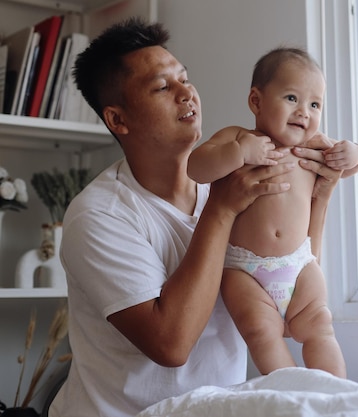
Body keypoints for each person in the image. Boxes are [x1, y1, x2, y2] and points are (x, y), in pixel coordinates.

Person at [49, 19, 343, 417]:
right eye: (162, 87)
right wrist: (221, 209)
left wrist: (320, 198)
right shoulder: (98, 215)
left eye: (185, 79)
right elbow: (171, 345)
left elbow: (289, 309)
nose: (187, 93)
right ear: (118, 120)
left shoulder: (235, 177)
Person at [187, 47, 358, 378]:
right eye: (292, 98)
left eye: (315, 104)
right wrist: (238, 153)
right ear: (256, 101)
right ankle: (292, 394)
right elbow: (195, 168)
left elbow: (351, 166)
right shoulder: (238, 138)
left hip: (299, 265)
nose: (304, 112)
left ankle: (336, 391)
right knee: (261, 333)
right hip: (245, 270)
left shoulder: (312, 147)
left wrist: (354, 153)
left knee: (320, 325)